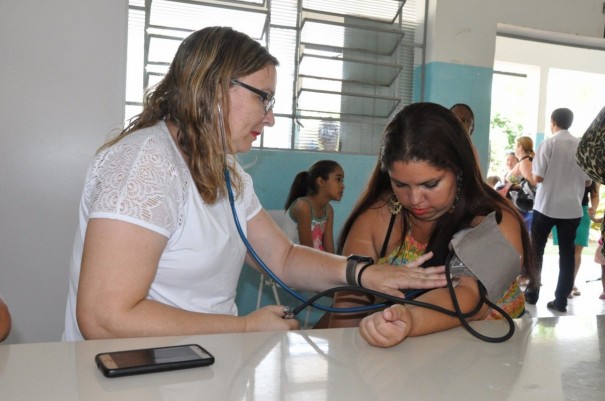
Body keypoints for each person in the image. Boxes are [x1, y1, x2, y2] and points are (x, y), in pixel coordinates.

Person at [62, 27, 447, 341]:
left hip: (199, 368)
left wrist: (362, 272)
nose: (270, 118)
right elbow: (105, 317)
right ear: (213, 87)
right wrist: (244, 327)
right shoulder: (144, 164)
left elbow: (281, 258)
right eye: (264, 98)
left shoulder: (225, 170)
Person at [328, 102, 536, 347]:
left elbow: (469, 297)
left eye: (430, 185)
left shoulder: (496, 221)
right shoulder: (376, 218)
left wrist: (409, 319)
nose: (414, 200)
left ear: (459, 171)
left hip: (491, 360)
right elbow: (346, 309)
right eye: (401, 185)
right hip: (404, 368)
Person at [525, 108, 591, 313]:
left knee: (536, 250)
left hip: (547, 205)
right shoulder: (583, 147)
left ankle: (532, 293)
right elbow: (588, 181)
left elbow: (538, 178)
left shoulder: (549, 143)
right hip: (572, 208)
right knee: (567, 254)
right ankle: (561, 300)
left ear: (552, 121)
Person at [283, 160, 344, 253]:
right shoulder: (303, 206)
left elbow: (329, 249)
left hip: (315, 259)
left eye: (342, 181)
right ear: (321, 181)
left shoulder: (328, 210)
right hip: (296, 259)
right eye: (338, 179)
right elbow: (307, 251)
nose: (343, 186)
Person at [552, 182, 600, 297]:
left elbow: (595, 195)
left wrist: (593, 208)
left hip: (583, 211)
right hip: (561, 210)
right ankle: (564, 284)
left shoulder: (590, 170)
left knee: (577, 251)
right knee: (564, 251)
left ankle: (571, 283)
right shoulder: (562, 167)